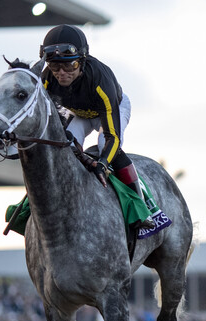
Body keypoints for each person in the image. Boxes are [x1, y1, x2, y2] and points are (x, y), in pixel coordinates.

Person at [39, 24, 154, 229]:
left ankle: (140, 205)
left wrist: (102, 164)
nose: (61, 73)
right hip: (79, 112)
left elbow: (112, 137)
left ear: (82, 62)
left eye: (69, 66)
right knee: (63, 146)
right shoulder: (46, 79)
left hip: (112, 108)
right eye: (54, 66)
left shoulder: (100, 80)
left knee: (105, 147)